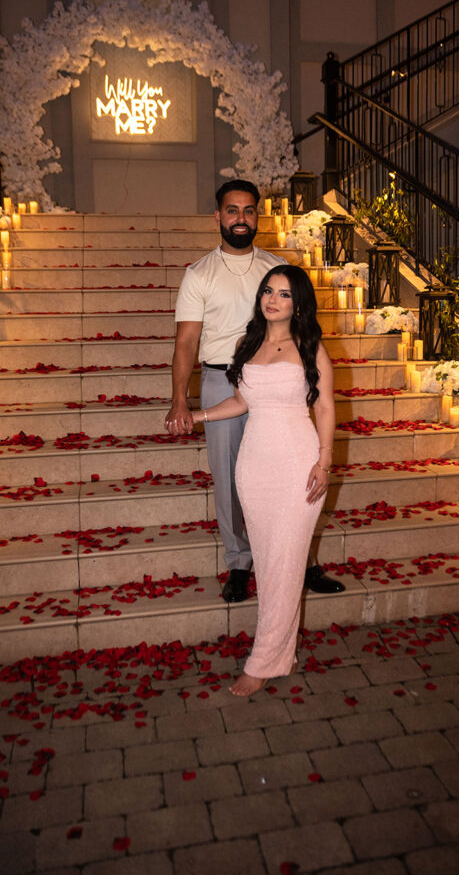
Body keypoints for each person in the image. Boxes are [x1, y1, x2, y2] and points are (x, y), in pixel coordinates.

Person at [164, 179, 344, 602]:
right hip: (222, 380)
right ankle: (240, 563)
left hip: (278, 384)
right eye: (232, 210)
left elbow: (301, 327)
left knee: (295, 476)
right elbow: (186, 343)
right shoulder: (198, 274)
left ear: (257, 216)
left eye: (248, 210)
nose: (240, 218)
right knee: (230, 480)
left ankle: (303, 561)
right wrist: (180, 400)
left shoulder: (276, 271)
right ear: (218, 216)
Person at [189, 265, 335, 696]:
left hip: (298, 463)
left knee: (286, 564)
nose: (273, 299)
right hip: (254, 466)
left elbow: (325, 407)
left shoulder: (310, 346)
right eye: (268, 291)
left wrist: (324, 462)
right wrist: (199, 415)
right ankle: (281, 653)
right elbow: (240, 400)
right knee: (270, 564)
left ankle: (263, 662)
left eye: (284, 294)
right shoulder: (246, 343)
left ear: (298, 303)